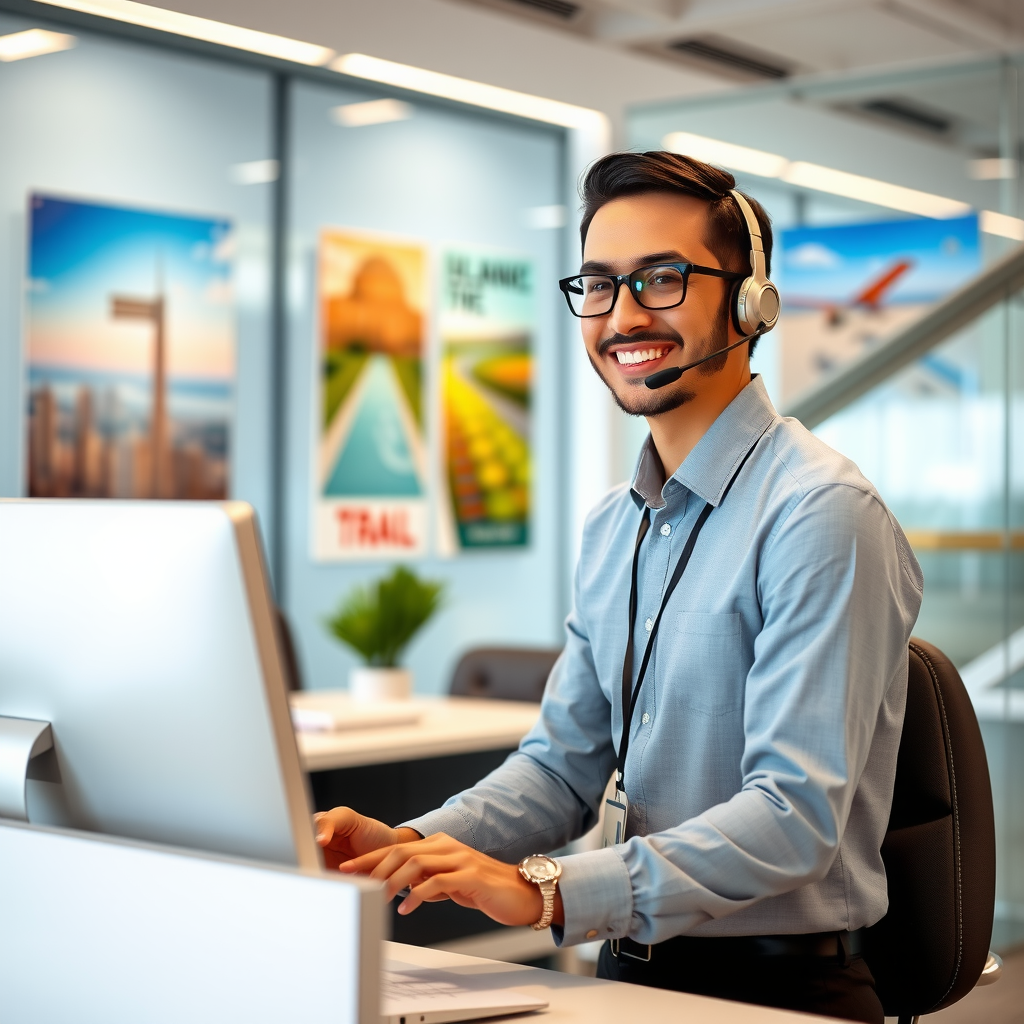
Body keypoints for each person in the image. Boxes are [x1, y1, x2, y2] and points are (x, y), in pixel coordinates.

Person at [314, 151, 922, 1024]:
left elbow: (792, 816)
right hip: (626, 975)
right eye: (598, 286)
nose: (623, 315)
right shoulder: (615, 527)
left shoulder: (822, 513)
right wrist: (416, 843)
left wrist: (551, 890)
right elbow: (562, 769)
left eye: (661, 279)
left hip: (782, 992)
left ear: (751, 299)